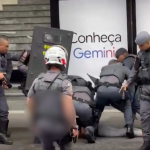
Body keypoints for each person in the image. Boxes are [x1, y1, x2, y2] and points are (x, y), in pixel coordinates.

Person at [26, 45, 78, 150]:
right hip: (60, 126)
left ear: (46, 61)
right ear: (63, 61)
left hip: (42, 125)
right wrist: (74, 126)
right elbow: (68, 107)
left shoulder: (37, 80)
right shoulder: (65, 82)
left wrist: (34, 124)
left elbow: (29, 103)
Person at [121, 31, 150, 150]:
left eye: (141, 45)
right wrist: (127, 82)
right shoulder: (140, 55)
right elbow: (135, 70)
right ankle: (147, 142)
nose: (140, 47)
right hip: (145, 89)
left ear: (148, 42)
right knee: (144, 115)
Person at [95, 59, 134, 138]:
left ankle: (93, 129)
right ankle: (129, 128)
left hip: (100, 91)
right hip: (115, 91)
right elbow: (132, 78)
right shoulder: (123, 67)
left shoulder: (104, 68)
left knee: (98, 108)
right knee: (127, 104)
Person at [67, 75, 98, 143]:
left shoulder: (66, 87)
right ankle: (89, 129)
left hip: (69, 104)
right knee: (91, 122)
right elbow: (92, 103)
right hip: (84, 106)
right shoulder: (87, 89)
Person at [0, 35, 18, 145]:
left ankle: (2, 133)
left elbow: (16, 56)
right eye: (6, 46)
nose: (7, 48)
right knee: (2, 110)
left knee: (3, 110)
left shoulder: (5, 55)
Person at [115, 48, 140, 118]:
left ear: (123, 54)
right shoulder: (134, 58)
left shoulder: (128, 59)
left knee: (134, 105)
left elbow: (127, 74)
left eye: (117, 57)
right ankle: (130, 122)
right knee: (134, 105)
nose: (117, 59)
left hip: (138, 84)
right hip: (139, 84)